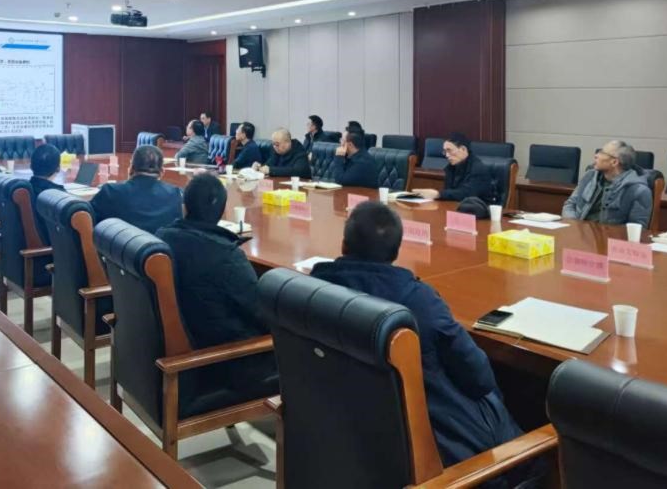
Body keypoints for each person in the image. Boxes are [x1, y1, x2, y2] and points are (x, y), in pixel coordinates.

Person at [311, 202, 523, 468]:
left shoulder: (316, 288)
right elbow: (480, 379)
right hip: (425, 450)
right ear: (396, 252)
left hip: (346, 428)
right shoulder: (419, 303)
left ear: (343, 245)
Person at [156, 174, 277, 403]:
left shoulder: (162, 239)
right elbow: (261, 314)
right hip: (222, 365)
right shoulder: (226, 256)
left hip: (173, 352)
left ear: (184, 206)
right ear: (222, 212)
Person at [88, 145, 183, 234]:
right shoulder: (175, 194)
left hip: (121, 245)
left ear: (131, 168)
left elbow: (87, 219)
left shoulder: (110, 191)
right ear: (162, 172)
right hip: (163, 245)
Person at [561, 140, 653, 227]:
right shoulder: (589, 176)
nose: (596, 155)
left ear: (614, 162)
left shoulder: (639, 190)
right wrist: (574, 226)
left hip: (609, 237)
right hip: (580, 231)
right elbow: (570, 204)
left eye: (602, 152)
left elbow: (637, 228)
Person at [414, 132, 491, 202]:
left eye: (450, 150)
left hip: (479, 210)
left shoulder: (478, 169)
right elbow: (449, 190)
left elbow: (466, 193)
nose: (447, 155)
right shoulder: (451, 167)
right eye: (445, 151)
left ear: (463, 149)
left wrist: (438, 194)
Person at [30, 144, 65, 241]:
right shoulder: (60, 196)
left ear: (31, 166)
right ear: (58, 168)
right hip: (54, 243)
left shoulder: (26, 189)